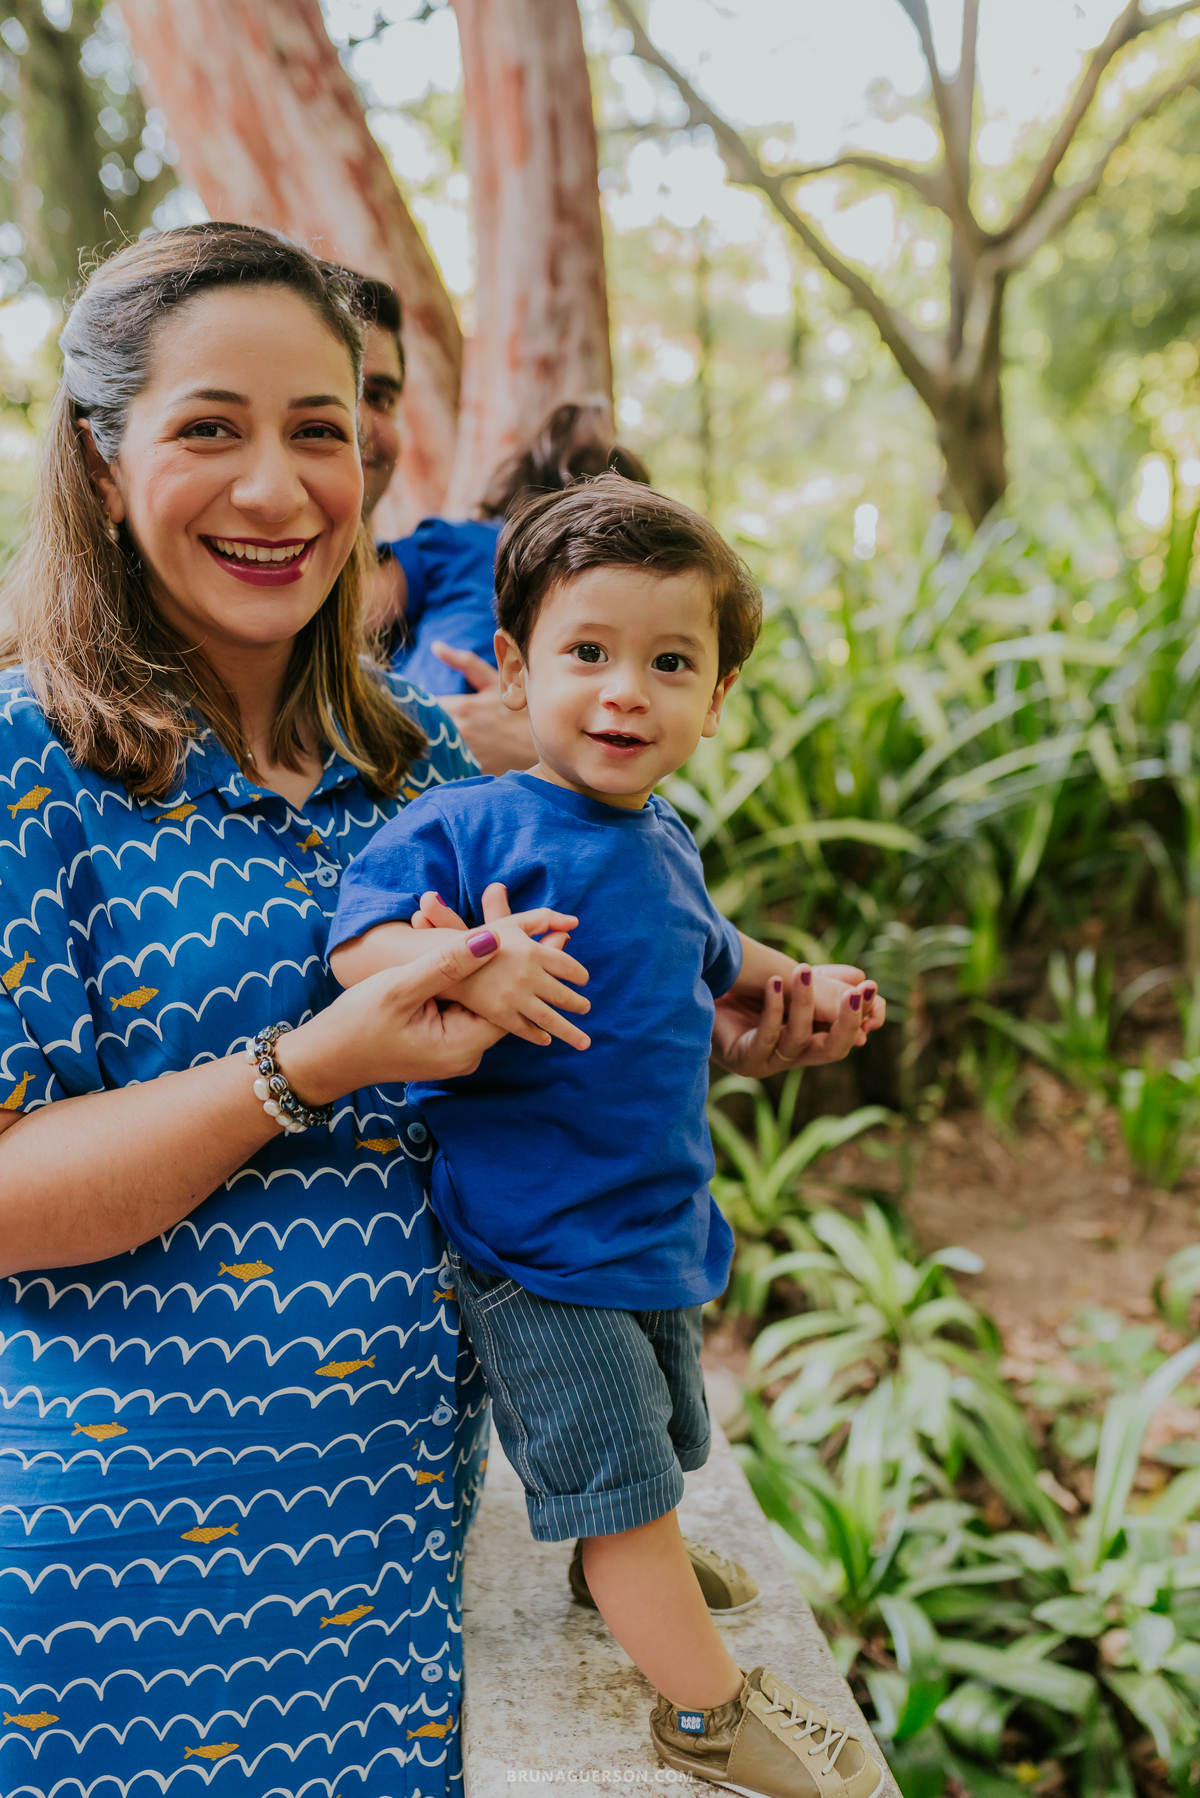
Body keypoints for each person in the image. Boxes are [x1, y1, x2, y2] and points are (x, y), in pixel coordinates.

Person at [0, 222, 574, 1798]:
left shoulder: (431, 770)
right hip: (99, 1618)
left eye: (321, 430)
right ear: (105, 465)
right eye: (209, 429)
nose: (277, 489)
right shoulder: (25, 762)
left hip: (385, 1587)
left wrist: (702, 1015)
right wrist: (311, 1063)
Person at [325, 475, 887, 1797]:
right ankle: (703, 1708)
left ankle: (618, 1565)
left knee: (667, 1429)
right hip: (537, 1239)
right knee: (622, 1468)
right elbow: (360, 943)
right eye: (589, 653)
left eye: (669, 662)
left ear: (717, 694)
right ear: (516, 668)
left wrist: (800, 979)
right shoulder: (477, 824)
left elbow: (720, 952)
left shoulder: (666, 839)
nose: (627, 691)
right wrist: (471, 956)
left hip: (648, 1221)